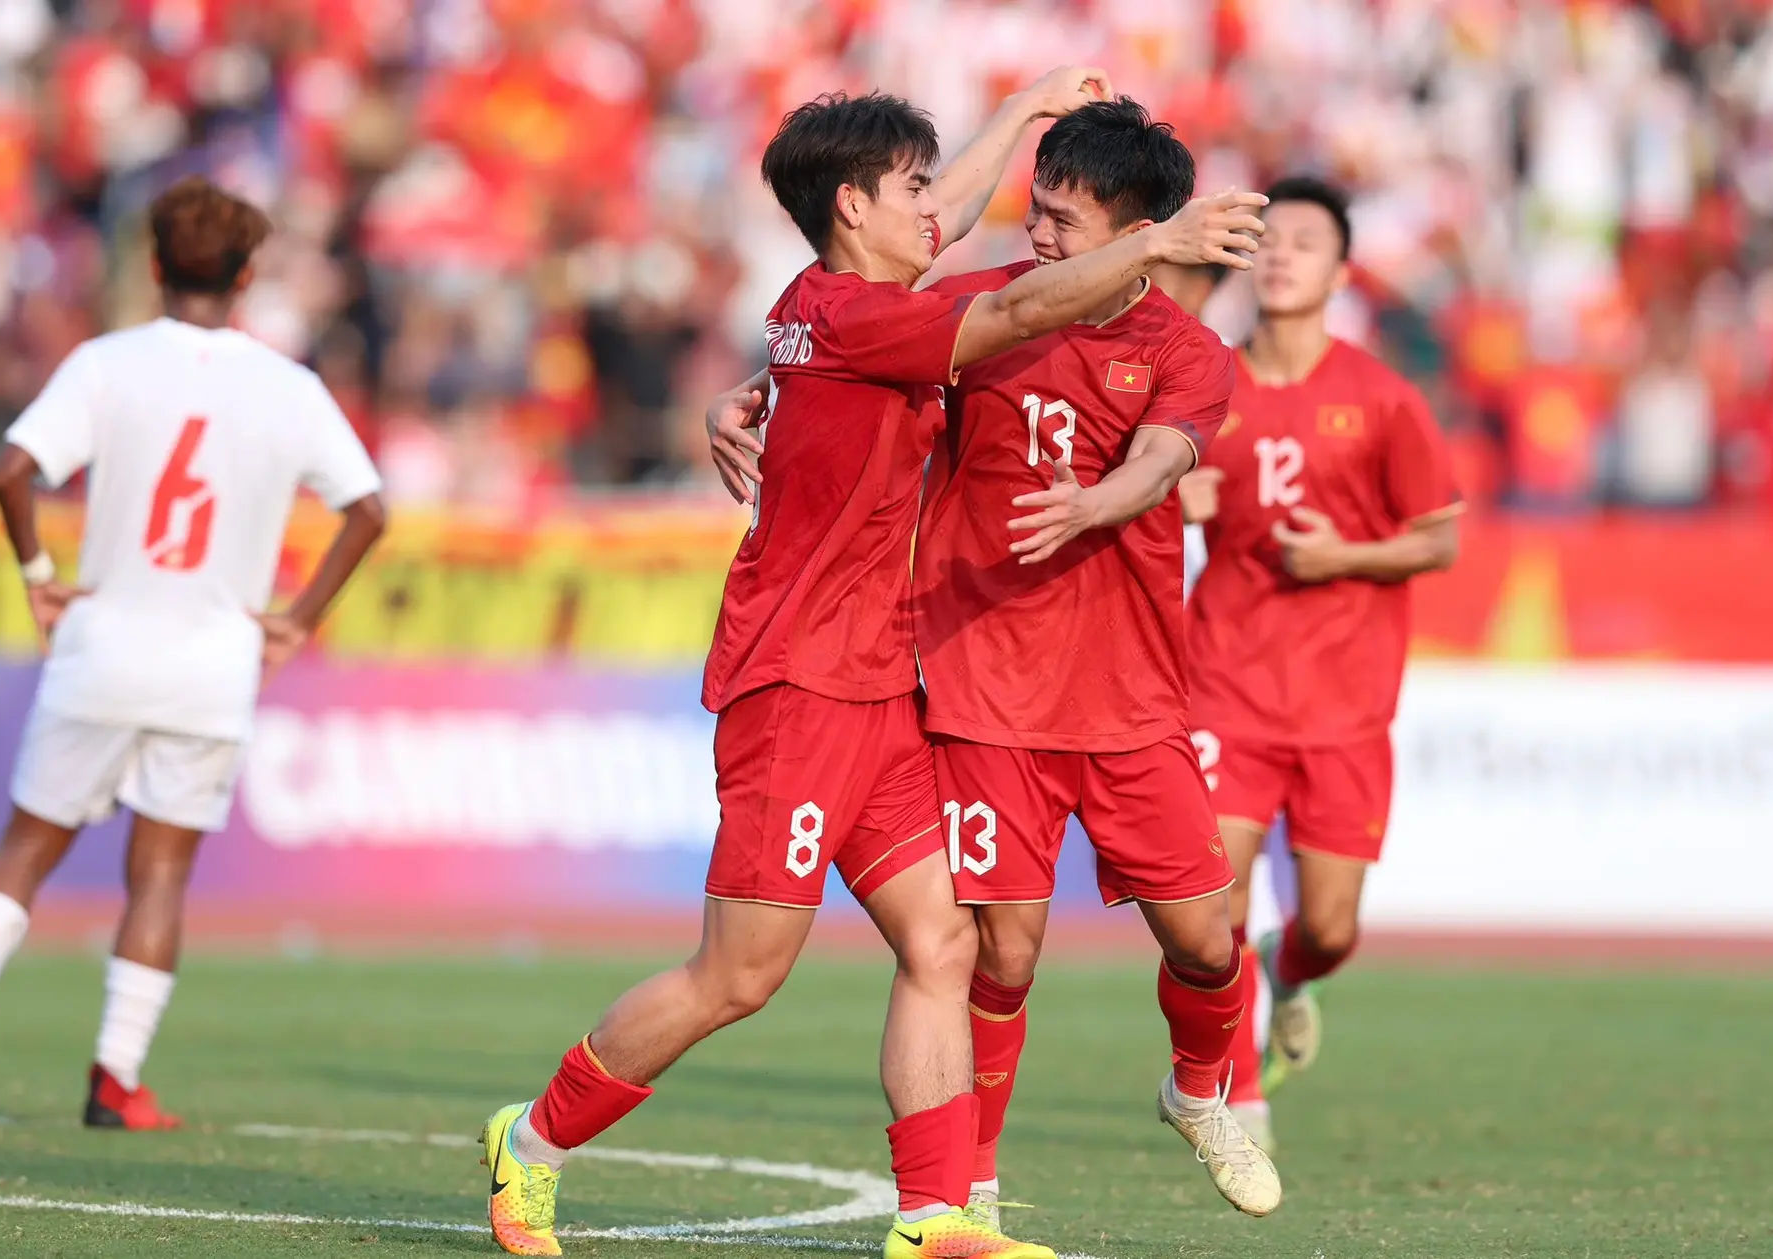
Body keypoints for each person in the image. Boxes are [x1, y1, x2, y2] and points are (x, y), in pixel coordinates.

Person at [485, 78, 1264, 1259]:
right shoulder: (864, 318)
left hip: (885, 688)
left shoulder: (837, 301)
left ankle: (937, 1215)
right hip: (798, 686)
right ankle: (533, 1143)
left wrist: (1022, 110)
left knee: (945, 944)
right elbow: (1014, 313)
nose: (944, 214)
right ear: (855, 206)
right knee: (738, 977)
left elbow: (944, 242)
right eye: (915, 191)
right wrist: (1157, 239)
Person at [710, 99, 1279, 1226]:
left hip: (1129, 700)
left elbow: (1165, 459)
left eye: (1071, 222)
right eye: (1043, 212)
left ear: (1140, 230)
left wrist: (1097, 504)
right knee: (995, 954)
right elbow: (845, 352)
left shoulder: (1189, 353)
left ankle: (1199, 1088)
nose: (1044, 238)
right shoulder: (986, 310)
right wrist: (751, 393)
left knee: (1207, 939)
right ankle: (964, 1198)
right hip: (978, 687)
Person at [0, 177, 387, 1130]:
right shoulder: (287, 387)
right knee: (160, 874)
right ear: (247, 275)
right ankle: (113, 1078)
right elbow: (368, 510)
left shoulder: (105, 362)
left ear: (157, 266)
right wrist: (296, 617)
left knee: (25, 848)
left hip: (102, 644)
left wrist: (40, 571)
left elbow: (11, 469)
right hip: (212, 662)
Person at [1180, 176, 1462, 1148]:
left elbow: (1440, 536)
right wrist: (1167, 495)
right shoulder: (1201, 383)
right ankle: (1239, 1099)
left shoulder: (1382, 399)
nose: (1282, 253)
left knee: (1332, 927)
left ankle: (1291, 970)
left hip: (1344, 703)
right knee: (1207, 903)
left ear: (1341, 271)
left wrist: (1343, 556)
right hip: (1223, 683)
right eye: (1269, 238)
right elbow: (1122, 483)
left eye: (1306, 240)